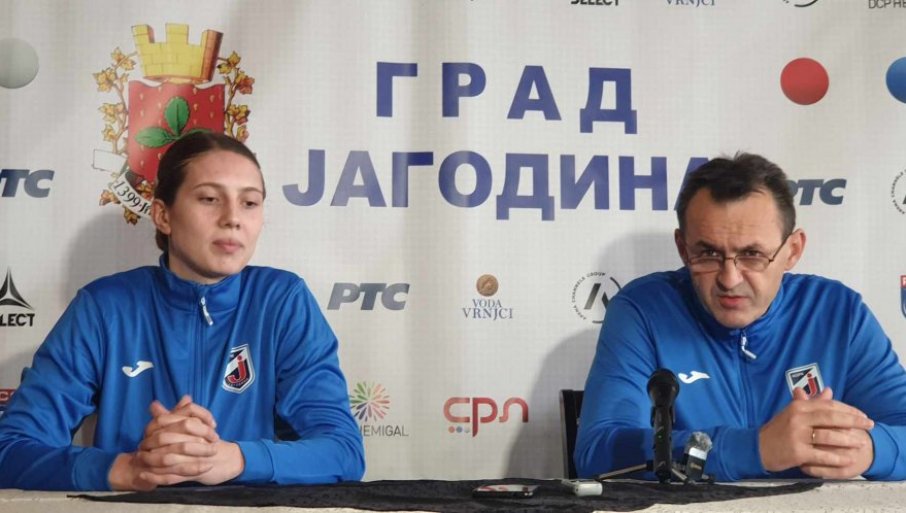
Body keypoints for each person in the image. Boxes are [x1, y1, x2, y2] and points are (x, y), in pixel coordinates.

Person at [0, 132, 365, 490]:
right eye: (209, 199)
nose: (233, 218)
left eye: (249, 203)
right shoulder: (104, 307)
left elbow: (343, 451)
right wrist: (128, 469)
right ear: (163, 215)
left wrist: (235, 460)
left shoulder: (282, 300)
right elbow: (10, 450)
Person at [575, 153, 906, 481]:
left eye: (752, 254)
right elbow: (598, 452)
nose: (729, 279)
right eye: (708, 253)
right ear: (683, 249)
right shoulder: (643, 311)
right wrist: (755, 449)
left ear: (793, 250)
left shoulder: (836, 312)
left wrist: (871, 449)